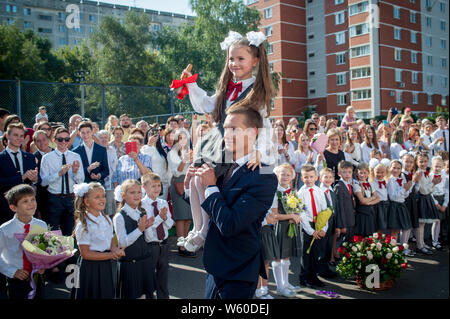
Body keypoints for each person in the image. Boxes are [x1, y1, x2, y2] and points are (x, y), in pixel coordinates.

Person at [181, 31, 275, 254]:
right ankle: (198, 228)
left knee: (203, 181)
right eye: (231, 59)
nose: (234, 63)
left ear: (255, 61)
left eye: (241, 58)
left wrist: (261, 151)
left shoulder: (257, 92)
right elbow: (206, 106)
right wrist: (191, 85)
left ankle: (204, 230)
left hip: (238, 144)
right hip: (219, 142)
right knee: (195, 180)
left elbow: (265, 125)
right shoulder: (227, 88)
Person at [189, 106, 278, 299]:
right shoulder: (221, 163)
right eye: (226, 128)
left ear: (253, 132)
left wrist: (210, 187)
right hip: (214, 267)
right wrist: (196, 180)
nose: (227, 134)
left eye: (234, 129)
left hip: (239, 270)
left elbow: (230, 224)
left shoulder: (265, 175)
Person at [73, 182, 125, 299]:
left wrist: (115, 249)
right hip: (89, 268)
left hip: (105, 265)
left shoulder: (106, 219)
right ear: (87, 202)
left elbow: (110, 240)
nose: (102, 199)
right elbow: (85, 254)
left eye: (103, 196)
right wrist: (111, 255)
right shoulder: (83, 224)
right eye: (97, 197)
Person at [0, 184, 46, 299]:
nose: (31, 204)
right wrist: (12, 271)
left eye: (33, 199)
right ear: (13, 208)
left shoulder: (41, 225)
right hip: (16, 278)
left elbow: (45, 250)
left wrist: (43, 265)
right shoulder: (5, 229)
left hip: (37, 277)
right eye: (25, 201)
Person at [113, 179, 155, 299]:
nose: (137, 195)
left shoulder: (142, 211)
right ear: (123, 196)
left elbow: (148, 239)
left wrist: (148, 227)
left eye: (139, 192)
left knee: (147, 295)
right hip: (130, 265)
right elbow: (122, 243)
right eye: (132, 192)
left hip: (145, 261)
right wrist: (139, 230)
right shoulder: (119, 216)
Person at [40, 127, 84, 236]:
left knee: (70, 231)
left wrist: (74, 172)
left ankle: (69, 253)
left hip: (71, 198)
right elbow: (43, 182)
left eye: (66, 139)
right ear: (54, 140)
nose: (63, 142)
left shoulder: (75, 156)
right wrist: (58, 174)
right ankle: (55, 253)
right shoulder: (47, 158)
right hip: (55, 198)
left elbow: (81, 180)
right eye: (60, 139)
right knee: (53, 231)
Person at [141, 173, 174, 299]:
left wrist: (164, 218)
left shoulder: (163, 202)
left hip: (163, 244)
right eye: (153, 186)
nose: (157, 188)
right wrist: (160, 217)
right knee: (149, 276)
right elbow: (149, 226)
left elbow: (170, 224)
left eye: (159, 185)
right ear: (144, 187)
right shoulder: (142, 205)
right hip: (150, 245)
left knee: (163, 276)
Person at [271, 164, 302, 298]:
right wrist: (291, 216)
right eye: (282, 174)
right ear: (277, 176)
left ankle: (286, 283)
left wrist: (297, 215)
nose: (285, 177)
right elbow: (275, 215)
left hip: (290, 227)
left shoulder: (292, 191)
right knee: (277, 257)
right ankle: (280, 287)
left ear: (292, 177)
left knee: (286, 255)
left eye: (288, 175)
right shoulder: (274, 192)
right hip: (279, 227)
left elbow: (299, 208)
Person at [0, 123, 38, 226]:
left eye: (21, 136)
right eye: (15, 135)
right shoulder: (1, 158)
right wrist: (21, 177)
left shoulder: (30, 157)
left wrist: (34, 179)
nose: (19, 138)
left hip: (27, 208)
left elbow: (37, 181)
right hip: (6, 207)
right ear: (7, 136)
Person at [297, 164, 328, 288]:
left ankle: (314, 276)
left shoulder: (319, 191)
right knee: (306, 253)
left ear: (316, 177)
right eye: (306, 177)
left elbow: (325, 210)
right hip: (307, 226)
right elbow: (301, 213)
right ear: (301, 178)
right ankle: (305, 277)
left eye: (311, 177)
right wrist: (310, 231)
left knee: (316, 252)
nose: (309, 179)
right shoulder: (300, 193)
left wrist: (323, 228)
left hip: (319, 224)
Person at [167, 129, 194, 257]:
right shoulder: (172, 153)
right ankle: (181, 246)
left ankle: (187, 244)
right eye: (180, 138)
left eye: (185, 138)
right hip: (179, 182)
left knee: (188, 216)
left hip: (189, 182)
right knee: (180, 217)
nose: (183, 140)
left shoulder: (188, 151)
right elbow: (177, 172)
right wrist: (184, 160)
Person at [415, 152, 441, 254]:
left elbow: (429, 190)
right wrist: (433, 183)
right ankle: (419, 245)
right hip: (421, 199)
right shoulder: (419, 173)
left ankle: (422, 243)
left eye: (425, 161)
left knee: (423, 223)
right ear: (417, 162)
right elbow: (423, 190)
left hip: (426, 198)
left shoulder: (426, 172)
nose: (423, 163)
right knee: (420, 223)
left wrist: (433, 183)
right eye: (421, 161)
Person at [73, 121, 109, 185]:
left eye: (88, 132)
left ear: (92, 132)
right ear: (79, 133)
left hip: (98, 185)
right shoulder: (75, 151)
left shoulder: (102, 150)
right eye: (83, 133)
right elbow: (75, 172)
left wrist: (98, 175)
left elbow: (106, 170)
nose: (85, 135)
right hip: (83, 185)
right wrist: (88, 169)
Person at [318, 168, 338, 275]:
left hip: (331, 221)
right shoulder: (319, 192)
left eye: (330, 177)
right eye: (326, 177)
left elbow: (336, 208)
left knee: (329, 245)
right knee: (322, 245)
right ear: (320, 178)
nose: (328, 179)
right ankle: (320, 268)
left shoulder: (332, 191)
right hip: (323, 222)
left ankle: (325, 267)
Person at [387, 160, 413, 241]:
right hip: (394, 206)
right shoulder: (390, 180)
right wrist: (404, 189)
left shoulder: (402, 179)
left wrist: (407, 189)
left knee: (406, 227)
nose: (396, 170)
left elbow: (405, 195)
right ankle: (392, 250)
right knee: (395, 229)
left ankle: (403, 247)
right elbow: (393, 197)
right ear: (389, 168)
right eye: (394, 168)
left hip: (402, 205)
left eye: (398, 168)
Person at [141, 129, 170, 201]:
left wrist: (168, 183)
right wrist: (149, 144)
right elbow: (144, 163)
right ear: (147, 137)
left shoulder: (162, 150)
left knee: (162, 206)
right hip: (151, 184)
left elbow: (166, 168)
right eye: (151, 134)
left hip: (163, 184)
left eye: (156, 134)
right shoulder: (144, 148)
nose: (154, 136)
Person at [333, 161, 355, 255]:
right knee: (342, 243)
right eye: (344, 172)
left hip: (350, 219)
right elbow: (339, 207)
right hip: (344, 221)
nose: (347, 174)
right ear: (339, 173)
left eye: (349, 172)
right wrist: (342, 225)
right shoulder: (339, 186)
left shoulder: (349, 185)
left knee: (348, 243)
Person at [255, 208, 278, 300]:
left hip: (267, 232)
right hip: (257, 233)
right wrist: (266, 221)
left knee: (266, 263)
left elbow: (272, 213)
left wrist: (273, 218)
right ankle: (257, 291)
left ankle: (264, 289)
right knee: (257, 264)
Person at [400, 152, 420, 257]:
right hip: (405, 201)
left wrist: (416, 182)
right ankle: (403, 248)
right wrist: (412, 182)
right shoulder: (402, 175)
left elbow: (415, 190)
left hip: (411, 200)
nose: (409, 164)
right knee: (405, 226)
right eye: (406, 161)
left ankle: (405, 246)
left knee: (409, 226)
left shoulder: (410, 174)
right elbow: (405, 192)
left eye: (411, 162)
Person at [353, 164, 380, 236]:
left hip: (370, 213)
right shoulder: (356, 185)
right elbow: (362, 200)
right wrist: (372, 198)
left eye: (365, 173)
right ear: (356, 173)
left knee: (370, 236)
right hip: (361, 214)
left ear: (368, 173)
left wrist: (369, 203)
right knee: (361, 236)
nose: (362, 175)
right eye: (360, 173)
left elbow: (378, 198)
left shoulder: (370, 184)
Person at [97, 130, 118, 216]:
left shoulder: (112, 149)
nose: (104, 139)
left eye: (105, 137)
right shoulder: (96, 151)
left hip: (112, 182)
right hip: (101, 182)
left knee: (112, 208)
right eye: (101, 137)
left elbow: (116, 165)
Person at [430, 156, 448, 251]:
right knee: (435, 221)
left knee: (439, 221)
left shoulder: (444, 177)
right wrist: (436, 203)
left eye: (439, 167)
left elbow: (446, 190)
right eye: (436, 166)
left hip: (442, 198)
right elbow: (430, 191)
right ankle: (434, 241)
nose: (437, 168)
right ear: (432, 166)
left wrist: (445, 204)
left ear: (443, 167)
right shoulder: (430, 176)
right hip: (433, 199)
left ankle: (436, 240)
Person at [370, 163, 390, 233]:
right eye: (377, 172)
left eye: (382, 172)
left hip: (385, 204)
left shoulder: (386, 182)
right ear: (373, 172)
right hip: (378, 205)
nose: (380, 174)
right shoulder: (372, 183)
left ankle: (380, 240)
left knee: (384, 225)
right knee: (379, 224)